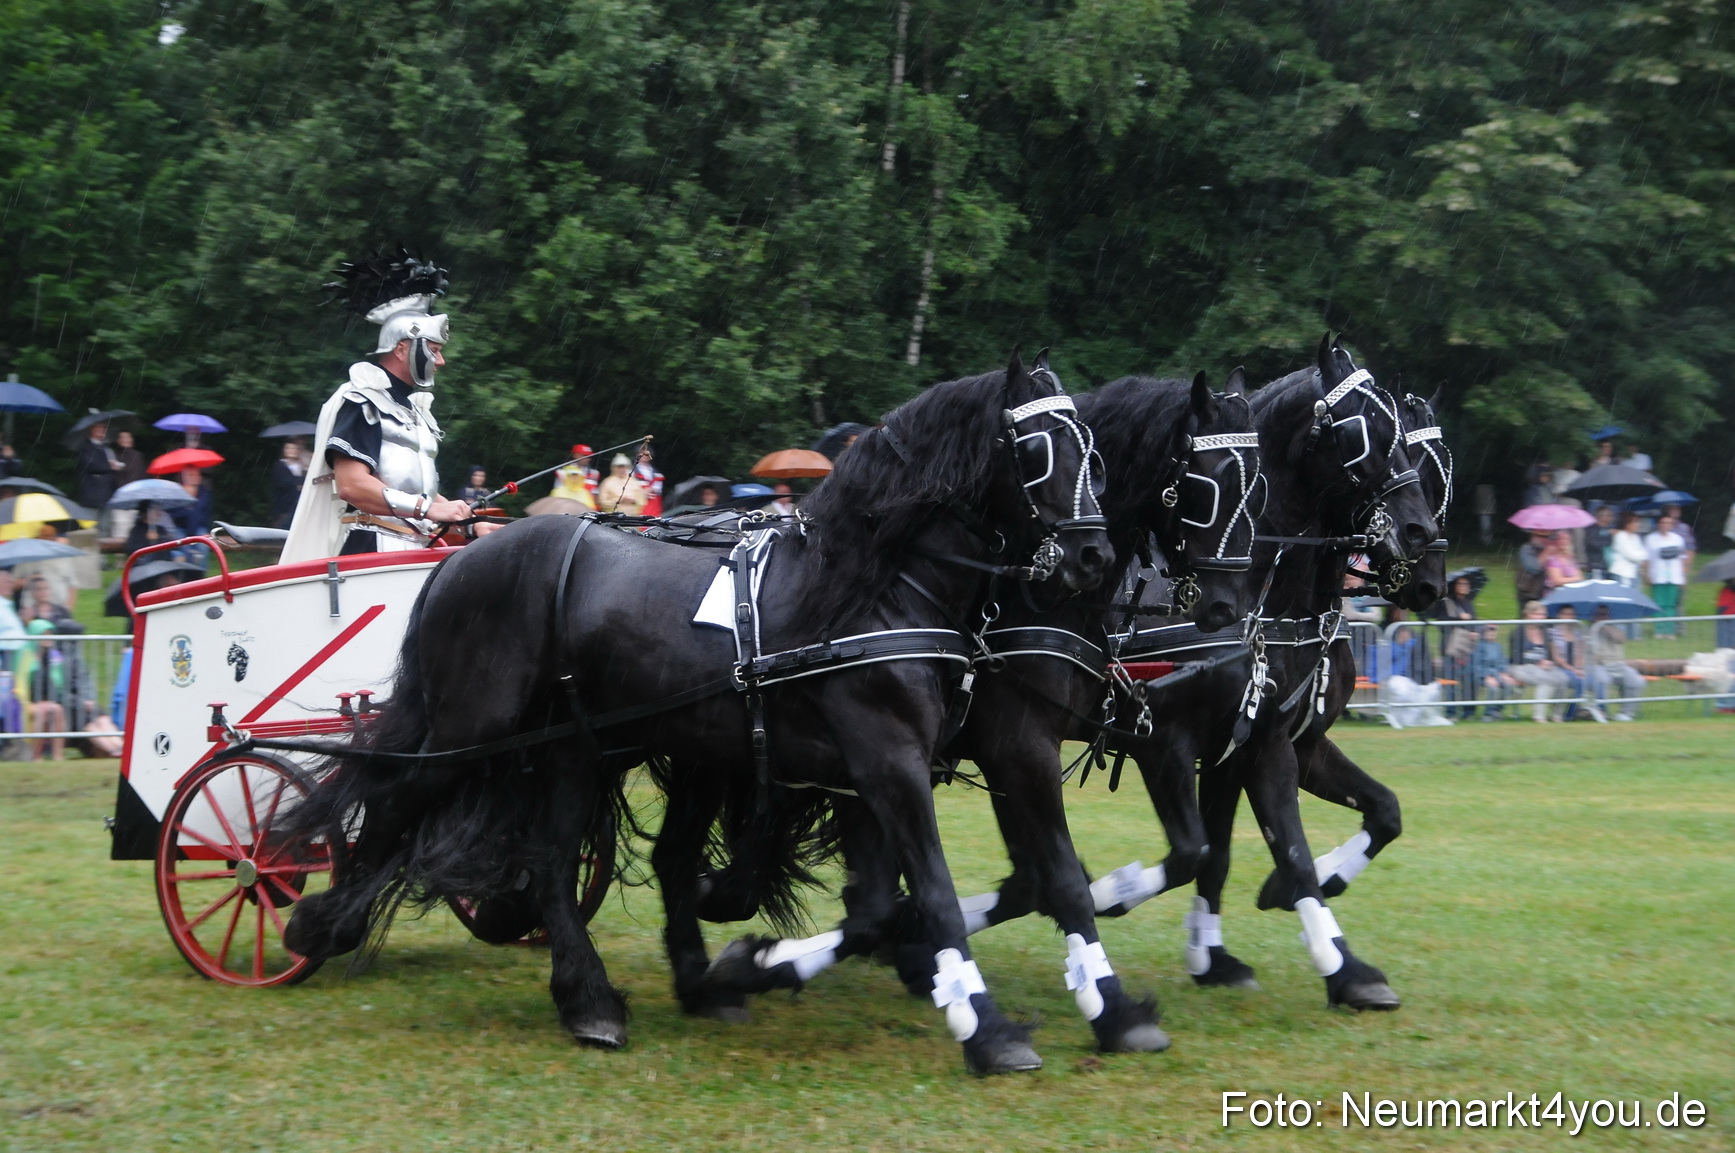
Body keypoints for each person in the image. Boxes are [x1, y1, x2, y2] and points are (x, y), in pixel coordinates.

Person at [282, 250, 485, 561]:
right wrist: (430, 508)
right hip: (373, 547)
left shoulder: (414, 409)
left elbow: (417, 493)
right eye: (433, 350)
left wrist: (470, 524)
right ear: (402, 349)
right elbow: (352, 485)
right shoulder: (364, 398)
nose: (441, 361)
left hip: (412, 546)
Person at [1508, 601, 1570, 722]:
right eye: (1537, 614)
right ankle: (1539, 716)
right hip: (1521, 667)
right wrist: (1537, 662)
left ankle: (1557, 715)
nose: (1542, 617)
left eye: (1543, 614)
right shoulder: (1518, 632)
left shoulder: (1546, 631)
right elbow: (1516, 657)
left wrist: (1549, 662)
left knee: (1563, 678)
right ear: (1527, 615)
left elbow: (1550, 654)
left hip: (1543, 667)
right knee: (1546, 680)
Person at [1585, 604, 1644, 722]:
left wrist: (1605, 626)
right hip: (1596, 665)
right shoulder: (1587, 630)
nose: (1602, 617)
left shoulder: (1615, 629)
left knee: (1636, 680)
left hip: (1617, 664)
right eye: (1599, 614)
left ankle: (1627, 713)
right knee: (1603, 680)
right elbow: (1589, 654)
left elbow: (1620, 639)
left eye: (1605, 614)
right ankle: (1601, 711)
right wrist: (1596, 627)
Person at [1645, 513, 1687, 636]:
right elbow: (1647, 559)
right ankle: (1659, 630)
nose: (1665, 525)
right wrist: (1647, 574)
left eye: (1668, 523)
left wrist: (1682, 576)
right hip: (1658, 576)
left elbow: (1682, 559)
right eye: (1663, 523)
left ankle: (1669, 630)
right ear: (1658, 524)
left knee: (1671, 605)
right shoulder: (1651, 539)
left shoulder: (1677, 539)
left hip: (1674, 576)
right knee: (1659, 604)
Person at [1468, 623, 1520, 720]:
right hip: (1482, 675)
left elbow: (1502, 662)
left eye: (1494, 631)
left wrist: (1504, 673)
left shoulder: (1498, 646)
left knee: (1509, 685)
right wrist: (1487, 676)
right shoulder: (1479, 647)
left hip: (1497, 674)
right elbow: (1476, 665)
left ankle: (1497, 709)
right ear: (1483, 633)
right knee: (1493, 688)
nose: (1492, 633)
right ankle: (1487, 713)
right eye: (1489, 631)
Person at [107, 430, 149, 540]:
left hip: (135, 497)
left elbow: (142, 476)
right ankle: (118, 553)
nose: (125, 440)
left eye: (127, 437)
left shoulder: (138, 456)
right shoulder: (114, 457)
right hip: (119, 497)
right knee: (119, 525)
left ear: (131, 440)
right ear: (118, 441)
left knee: (132, 525)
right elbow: (113, 479)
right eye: (122, 437)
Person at [1549, 604, 1588, 720]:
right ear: (1559, 615)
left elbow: (1580, 654)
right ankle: (1569, 714)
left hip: (1575, 668)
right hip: (1559, 667)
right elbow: (1556, 658)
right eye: (1566, 614)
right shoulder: (1553, 633)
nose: (1569, 616)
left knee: (1588, 680)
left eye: (1571, 614)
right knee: (1578, 681)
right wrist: (1573, 669)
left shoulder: (1578, 633)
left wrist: (1579, 668)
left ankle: (1579, 710)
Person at [74, 420, 123, 510]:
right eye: (98, 427)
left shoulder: (106, 448)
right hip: (92, 495)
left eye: (103, 427)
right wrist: (110, 466)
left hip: (108, 494)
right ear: (91, 430)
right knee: (92, 523)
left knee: (106, 523)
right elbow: (91, 465)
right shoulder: (86, 447)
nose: (102, 430)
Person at [268, 441, 307, 529]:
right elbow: (285, 482)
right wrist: (299, 482)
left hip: (298, 501)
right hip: (284, 502)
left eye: (293, 448)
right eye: (288, 448)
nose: (291, 451)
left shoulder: (301, 466)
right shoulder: (279, 465)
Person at [552, 445, 599, 509]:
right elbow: (558, 492)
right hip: (567, 507)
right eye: (585, 456)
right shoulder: (563, 472)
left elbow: (595, 493)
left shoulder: (594, 473)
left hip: (588, 508)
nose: (588, 459)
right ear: (575, 455)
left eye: (589, 456)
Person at [1608, 512, 1648, 587]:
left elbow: (1645, 554)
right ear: (1627, 524)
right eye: (1635, 522)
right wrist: (1639, 555)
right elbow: (1631, 555)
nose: (1638, 525)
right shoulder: (1620, 536)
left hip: (1633, 574)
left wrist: (1639, 555)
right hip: (1621, 573)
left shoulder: (1636, 537)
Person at [1515, 528, 1549, 605]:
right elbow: (1534, 568)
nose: (1542, 539)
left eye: (1545, 537)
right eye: (1539, 536)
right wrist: (1547, 553)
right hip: (1529, 594)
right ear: (1532, 536)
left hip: (1546, 593)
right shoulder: (1527, 549)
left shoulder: (1550, 548)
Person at [1583, 505, 1616, 578]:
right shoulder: (1591, 529)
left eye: (1610, 516)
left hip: (1609, 567)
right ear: (1598, 516)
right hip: (1596, 567)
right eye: (1606, 515)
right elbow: (1596, 544)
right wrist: (1610, 537)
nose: (1608, 518)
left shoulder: (1610, 529)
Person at [633, 446, 664, 517]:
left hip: (653, 504)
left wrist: (650, 490)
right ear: (637, 454)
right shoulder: (631, 471)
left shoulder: (657, 473)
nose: (644, 455)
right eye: (641, 453)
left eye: (646, 454)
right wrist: (642, 493)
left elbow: (659, 488)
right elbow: (629, 487)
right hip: (637, 503)